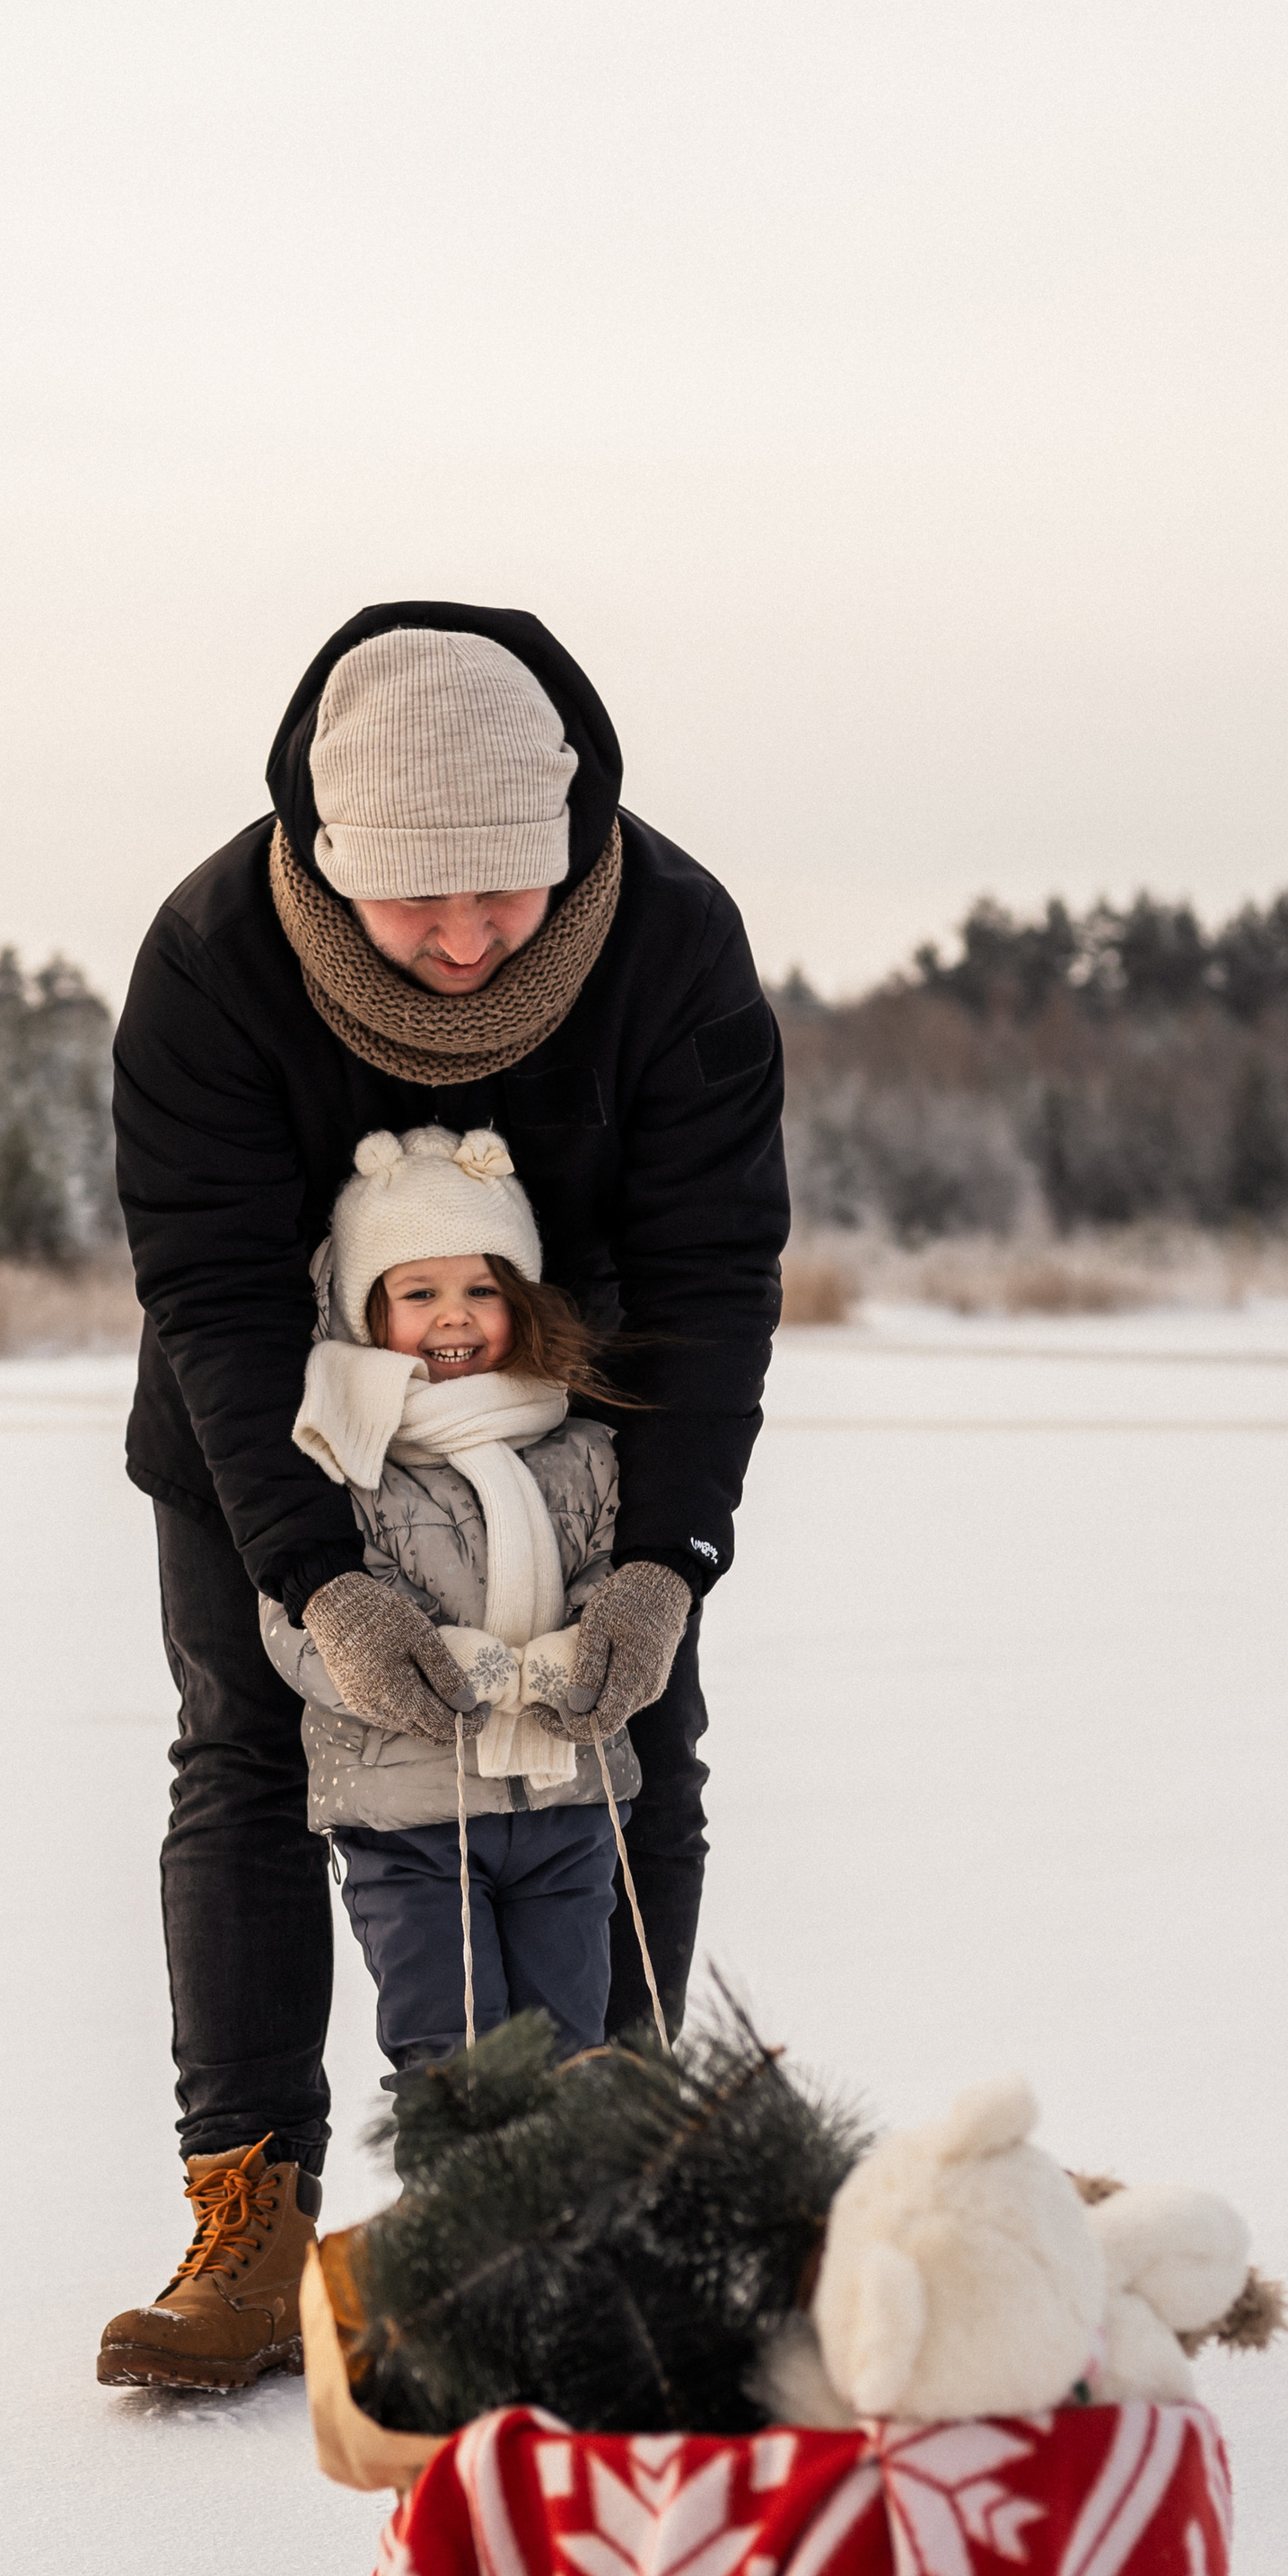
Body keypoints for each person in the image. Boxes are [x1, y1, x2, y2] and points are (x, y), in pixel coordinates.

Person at [96, 603, 788, 2393]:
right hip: (277, 1427)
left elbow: (716, 1272)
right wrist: (317, 1575)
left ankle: (612, 2188)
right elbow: (215, 1296)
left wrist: (664, 1561)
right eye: (423, 904)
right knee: (250, 1760)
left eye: (510, 894)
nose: (473, 942)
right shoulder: (209, 958)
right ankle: (247, 2213)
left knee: (635, 1747)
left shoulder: (670, 939)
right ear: (333, 862)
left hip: (582, 1435)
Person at [261, 1122, 643, 2097]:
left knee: (572, 2055)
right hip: (409, 1819)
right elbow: (297, 1620)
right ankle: (457, 2236)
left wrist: (598, 1647)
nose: (454, 1318)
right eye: (417, 1293)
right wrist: (420, 1667)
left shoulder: (577, 1448)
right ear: (364, 1312)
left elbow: (609, 1575)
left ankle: (567, 2238)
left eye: (482, 1288)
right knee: (453, 2059)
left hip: (567, 1809)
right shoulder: (340, 1456)